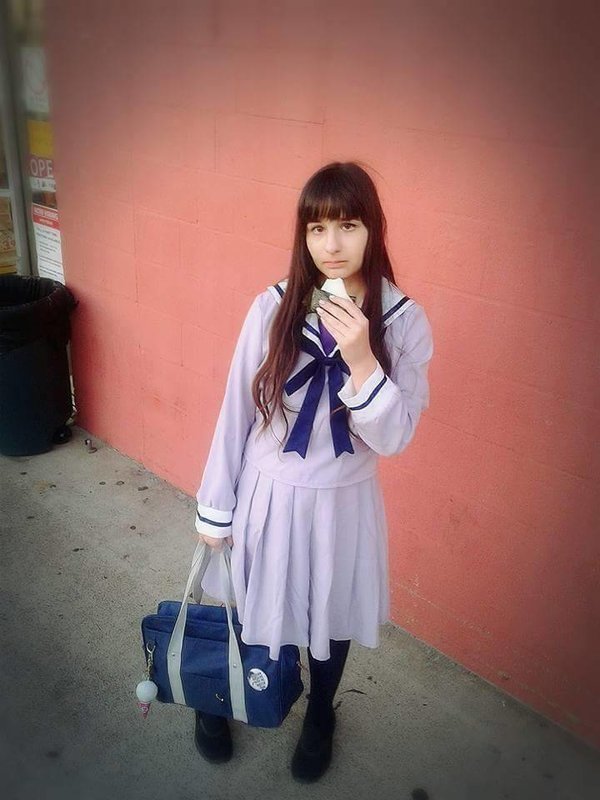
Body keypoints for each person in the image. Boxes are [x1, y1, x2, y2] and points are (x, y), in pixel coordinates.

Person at [193, 161, 434, 782]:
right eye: (317, 228)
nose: (331, 245)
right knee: (247, 603)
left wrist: (361, 357)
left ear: (373, 229)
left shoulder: (403, 320)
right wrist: (216, 508)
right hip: (268, 491)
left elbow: (395, 436)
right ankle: (215, 694)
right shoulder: (273, 306)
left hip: (344, 499)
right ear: (303, 234)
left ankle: (321, 714)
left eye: (348, 226)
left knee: (331, 612)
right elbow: (236, 410)